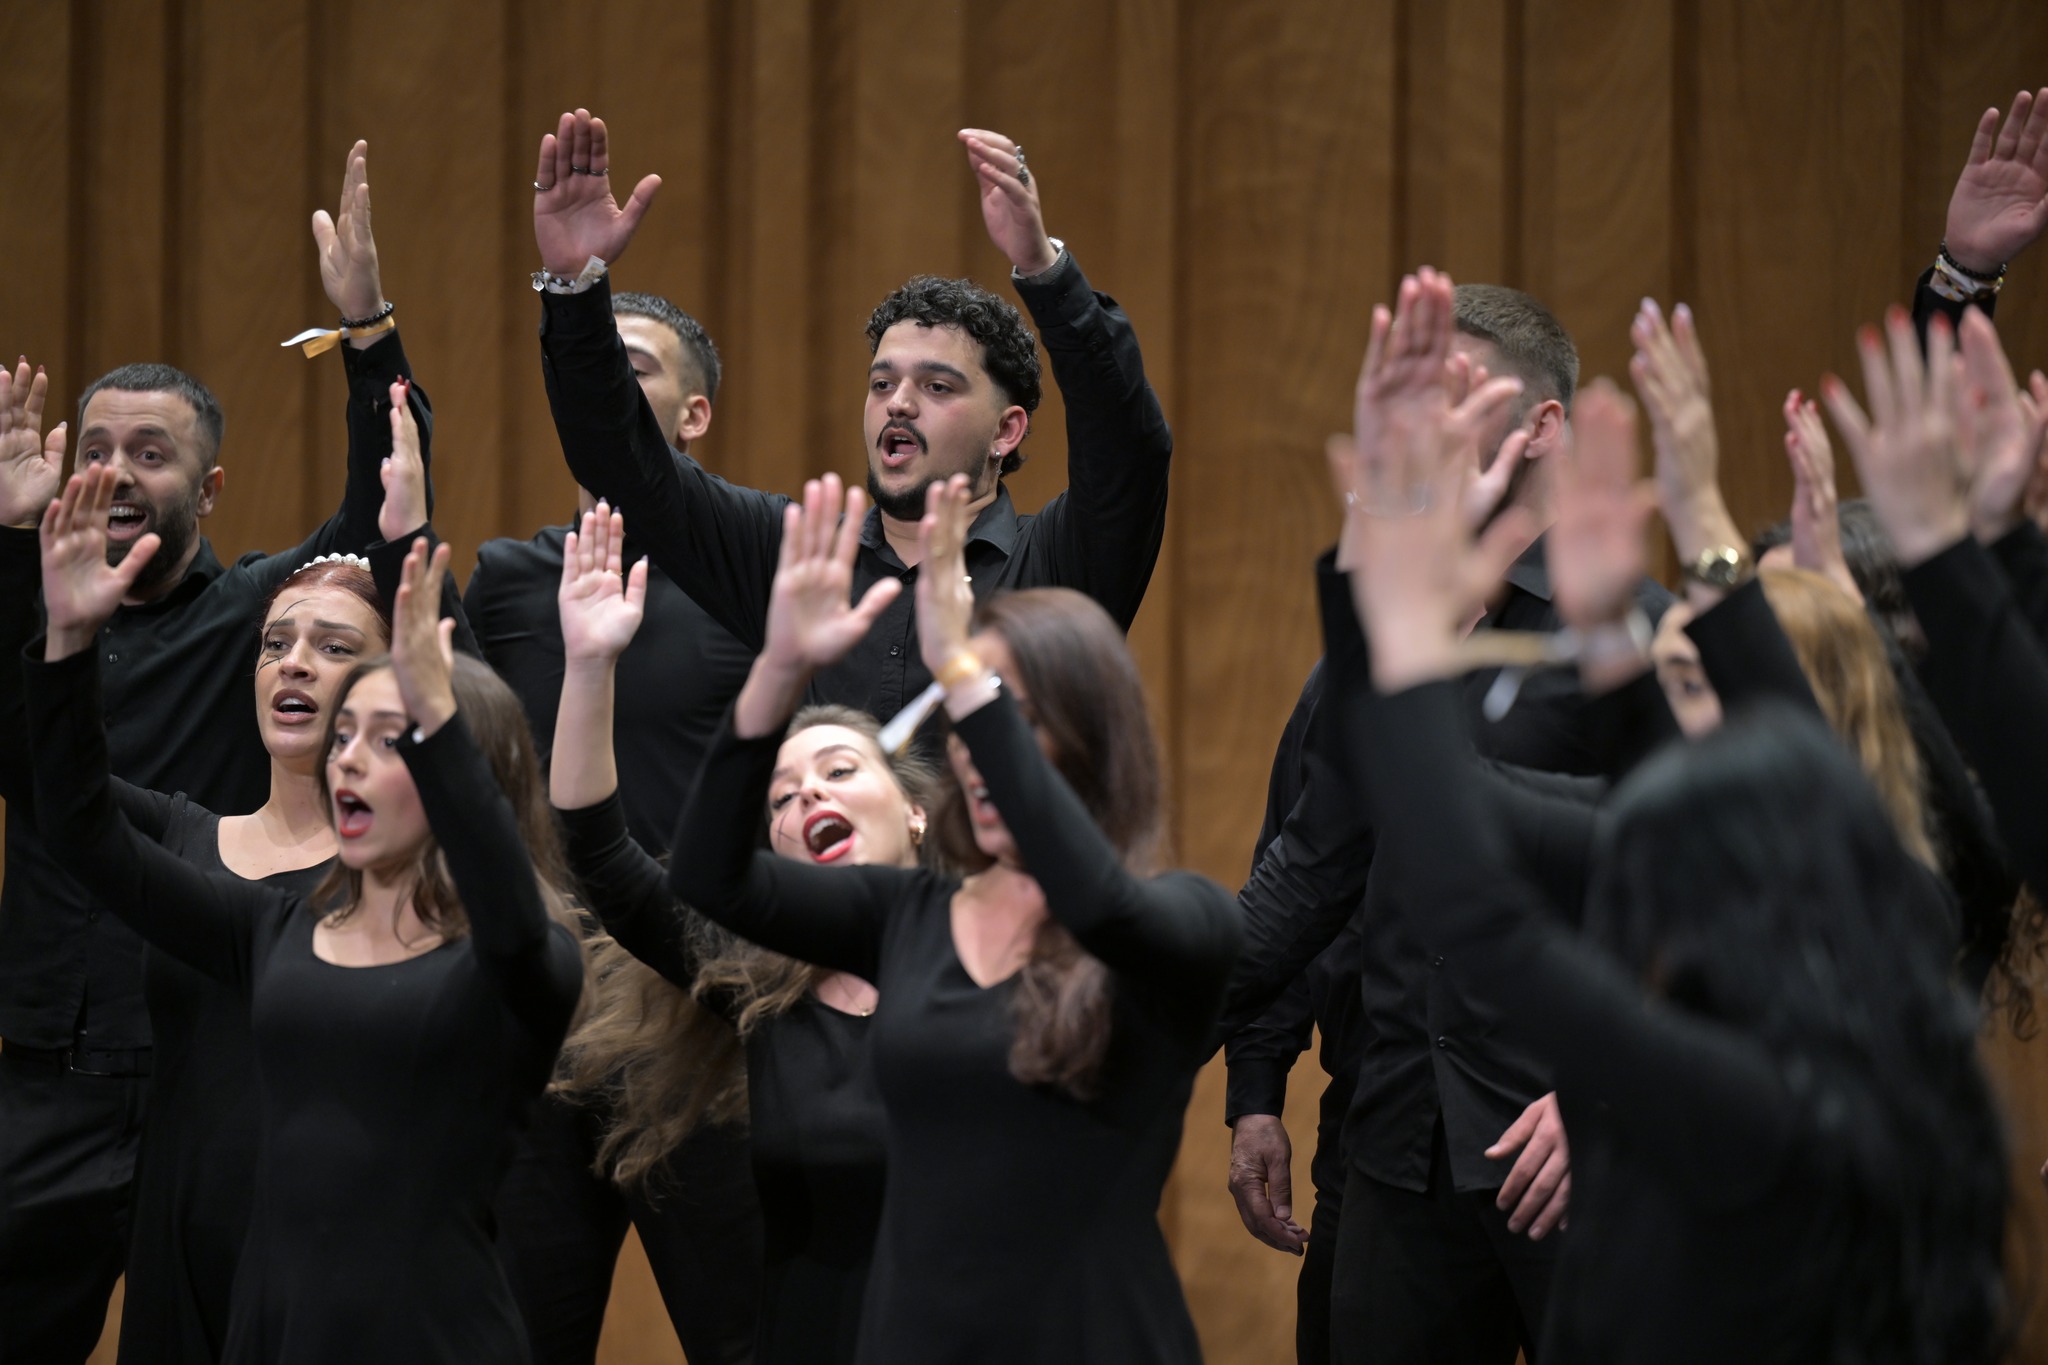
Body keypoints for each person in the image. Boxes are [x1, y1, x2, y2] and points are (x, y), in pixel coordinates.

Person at [1332, 356, 2009, 1362]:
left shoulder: (1729, 1091)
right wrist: (1626, 612)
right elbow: (1722, 782)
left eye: (1687, 681)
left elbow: (1478, 885)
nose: (1664, 712)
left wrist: (1390, 620)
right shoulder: (1897, 919)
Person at [0, 141, 428, 1364]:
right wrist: (7, 548)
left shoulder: (262, 618)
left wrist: (368, 334)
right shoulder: (34, 622)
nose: (118, 476)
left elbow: (383, 510)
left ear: (211, 481)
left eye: (151, 454)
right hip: (52, 1067)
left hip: (218, 1058)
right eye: (98, 450)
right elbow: (29, 759)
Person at [668, 471, 1238, 1362]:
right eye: (964, 722)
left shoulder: (1186, 919)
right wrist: (778, 671)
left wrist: (962, 666)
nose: (978, 754)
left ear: (1093, 736)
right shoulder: (911, 915)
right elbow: (710, 875)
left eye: (1009, 714)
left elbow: (1092, 901)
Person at [26, 485, 586, 1363]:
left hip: (432, 1335)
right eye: (346, 735)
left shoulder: (521, 958)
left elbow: (509, 909)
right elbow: (81, 829)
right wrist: (66, 646)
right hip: (266, 1321)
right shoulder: (277, 927)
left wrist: (438, 717)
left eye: (388, 737)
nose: (350, 756)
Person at [1221, 270, 1670, 1364]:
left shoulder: (1626, 632)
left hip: (1572, 1145)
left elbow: (1707, 889)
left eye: (1456, 396)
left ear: (1539, 425)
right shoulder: (1374, 639)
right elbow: (1301, 870)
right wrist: (1249, 1079)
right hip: (1393, 1144)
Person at [530, 110, 1172, 724]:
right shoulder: (797, 559)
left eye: (938, 386)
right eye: (883, 382)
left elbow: (1129, 452)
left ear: (1006, 430)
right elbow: (623, 463)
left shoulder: (1058, 568)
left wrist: (1045, 272)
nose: (898, 402)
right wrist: (575, 287)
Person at [547, 503, 932, 1364]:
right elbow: (601, 853)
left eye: (837, 770)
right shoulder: (755, 981)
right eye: (782, 798)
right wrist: (588, 664)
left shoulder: (985, 953)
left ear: (914, 809)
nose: (809, 800)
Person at [470, 292, 761, 1365]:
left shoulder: (754, 576)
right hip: (537, 1027)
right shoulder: (506, 581)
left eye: (629, 365)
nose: (599, 382)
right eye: (584, 365)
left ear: (693, 417)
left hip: (703, 1026)